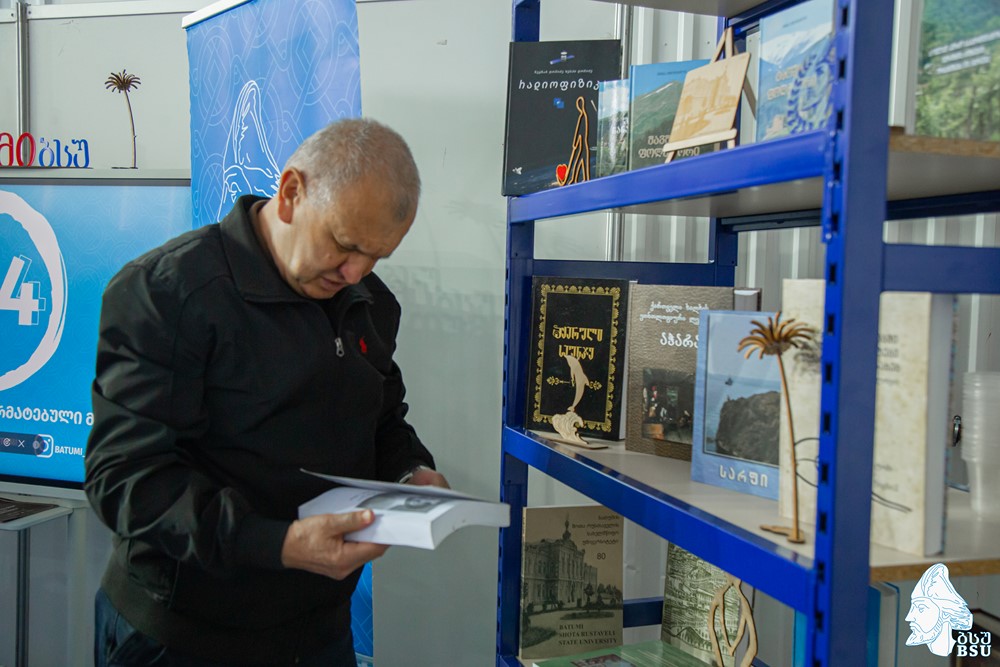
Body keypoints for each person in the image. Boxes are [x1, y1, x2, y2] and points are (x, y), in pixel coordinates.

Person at [84, 117, 449, 667]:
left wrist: (409, 471)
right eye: (344, 245)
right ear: (291, 192)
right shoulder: (168, 293)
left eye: (377, 256)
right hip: (184, 636)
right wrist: (275, 543)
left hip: (318, 631)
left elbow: (382, 417)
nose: (355, 273)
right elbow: (125, 478)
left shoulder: (369, 302)